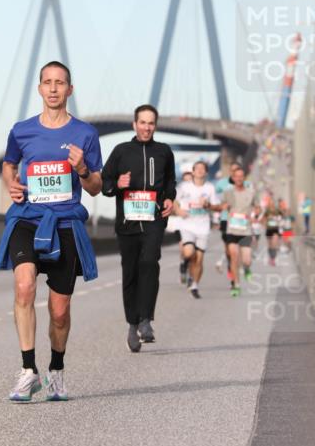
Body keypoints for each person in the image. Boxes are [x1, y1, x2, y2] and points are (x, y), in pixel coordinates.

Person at [0, 61, 103, 402]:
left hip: (65, 223)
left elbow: (97, 187)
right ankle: (28, 371)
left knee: (59, 310)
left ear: (70, 89)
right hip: (27, 218)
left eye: (60, 83)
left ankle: (56, 370)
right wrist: (12, 184)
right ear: (39, 88)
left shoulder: (85, 134)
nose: (53, 89)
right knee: (24, 287)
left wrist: (83, 168)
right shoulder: (21, 130)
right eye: (47, 82)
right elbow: (8, 164)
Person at [101, 105, 176, 352]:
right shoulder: (121, 151)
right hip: (127, 223)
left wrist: (169, 199)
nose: (146, 127)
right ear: (134, 124)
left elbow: (170, 183)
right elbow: (105, 183)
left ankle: (146, 321)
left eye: (151, 123)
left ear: (156, 125)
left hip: (153, 219)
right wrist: (117, 185)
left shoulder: (164, 152)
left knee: (150, 262)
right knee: (131, 272)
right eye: (142, 122)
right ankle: (132, 325)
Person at [174, 160, 221, 298]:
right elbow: (174, 201)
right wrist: (178, 211)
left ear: (206, 172)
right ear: (193, 172)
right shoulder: (184, 187)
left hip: (203, 226)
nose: (200, 170)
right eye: (197, 168)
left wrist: (207, 205)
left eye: (203, 169)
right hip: (187, 224)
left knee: (199, 260)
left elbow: (216, 206)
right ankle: (186, 264)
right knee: (188, 253)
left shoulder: (210, 188)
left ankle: (194, 284)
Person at [221, 166, 259, 297]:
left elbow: (257, 207)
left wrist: (255, 215)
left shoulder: (251, 192)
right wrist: (224, 207)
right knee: (234, 257)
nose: (238, 178)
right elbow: (223, 205)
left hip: (246, 229)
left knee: (247, 260)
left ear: (244, 178)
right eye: (236, 176)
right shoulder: (228, 192)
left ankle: (247, 268)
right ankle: (236, 285)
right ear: (233, 178)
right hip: (232, 229)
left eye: (241, 176)